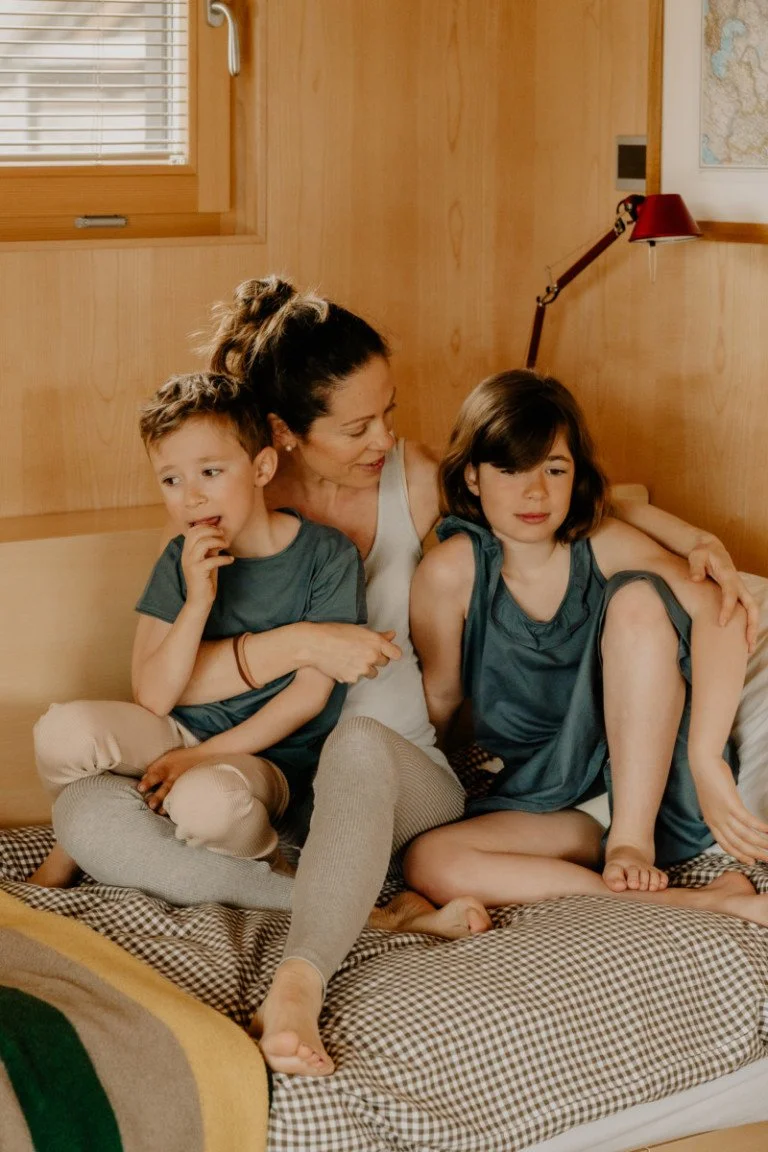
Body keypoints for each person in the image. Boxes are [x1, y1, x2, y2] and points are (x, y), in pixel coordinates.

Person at [50, 277, 758, 1079]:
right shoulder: (229, 490)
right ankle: (385, 916)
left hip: (395, 772)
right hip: (270, 779)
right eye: (357, 426)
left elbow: (559, 508)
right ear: (278, 438)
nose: (383, 436)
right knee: (87, 806)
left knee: (358, 740)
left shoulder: (415, 480)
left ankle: (298, 982)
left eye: (388, 410)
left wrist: (692, 532)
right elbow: (170, 678)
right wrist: (306, 643)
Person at [403, 369, 768, 928]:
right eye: (511, 470)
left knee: (641, 599)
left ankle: (632, 844)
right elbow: (443, 696)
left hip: (648, 788)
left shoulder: (598, 543)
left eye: (555, 469)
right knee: (429, 859)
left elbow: (719, 608)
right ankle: (696, 902)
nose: (535, 492)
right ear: (473, 477)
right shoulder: (449, 573)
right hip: (556, 797)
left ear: (576, 476)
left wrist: (706, 756)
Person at [30, 371, 370, 890]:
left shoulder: (327, 555)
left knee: (208, 807)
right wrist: (198, 599)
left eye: (210, 472)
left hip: (266, 759)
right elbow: (154, 695)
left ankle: (271, 865)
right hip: (177, 730)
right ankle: (77, 843)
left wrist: (199, 757)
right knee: (61, 733)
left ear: (262, 466)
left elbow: (308, 697)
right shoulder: (180, 559)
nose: (190, 498)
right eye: (171, 480)